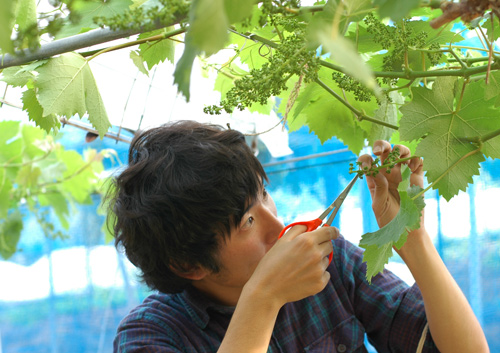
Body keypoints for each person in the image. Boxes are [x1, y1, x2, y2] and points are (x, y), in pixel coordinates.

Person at [108, 120, 489, 353]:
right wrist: (263, 298)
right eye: (247, 223)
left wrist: (413, 240)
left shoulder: (327, 262)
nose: (278, 227)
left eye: (265, 196)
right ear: (189, 264)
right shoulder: (149, 335)